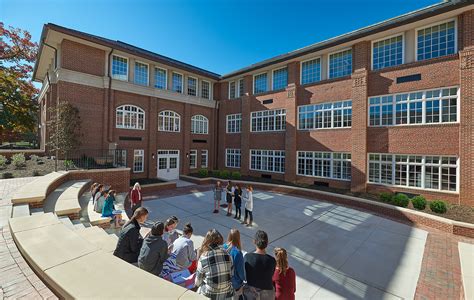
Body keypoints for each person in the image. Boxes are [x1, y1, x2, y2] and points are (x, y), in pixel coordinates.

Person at [195, 229, 234, 299]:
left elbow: (197, 282)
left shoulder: (204, 257)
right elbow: (231, 275)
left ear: (207, 241)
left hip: (210, 295)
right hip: (226, 294)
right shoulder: (228, 255)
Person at [243, 230, 276, 300]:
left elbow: (245, 276)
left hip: (251, 294)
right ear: (267, 243)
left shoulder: (247, 257)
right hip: (268, 293)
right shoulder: (272, 260)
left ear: (254, 241)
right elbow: (271, 275)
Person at [223, 229, 245, 299]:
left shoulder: (223, 247)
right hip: (234, 283)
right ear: (238, 238)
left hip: (223, 279)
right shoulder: (238, 253)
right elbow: (241, 272)